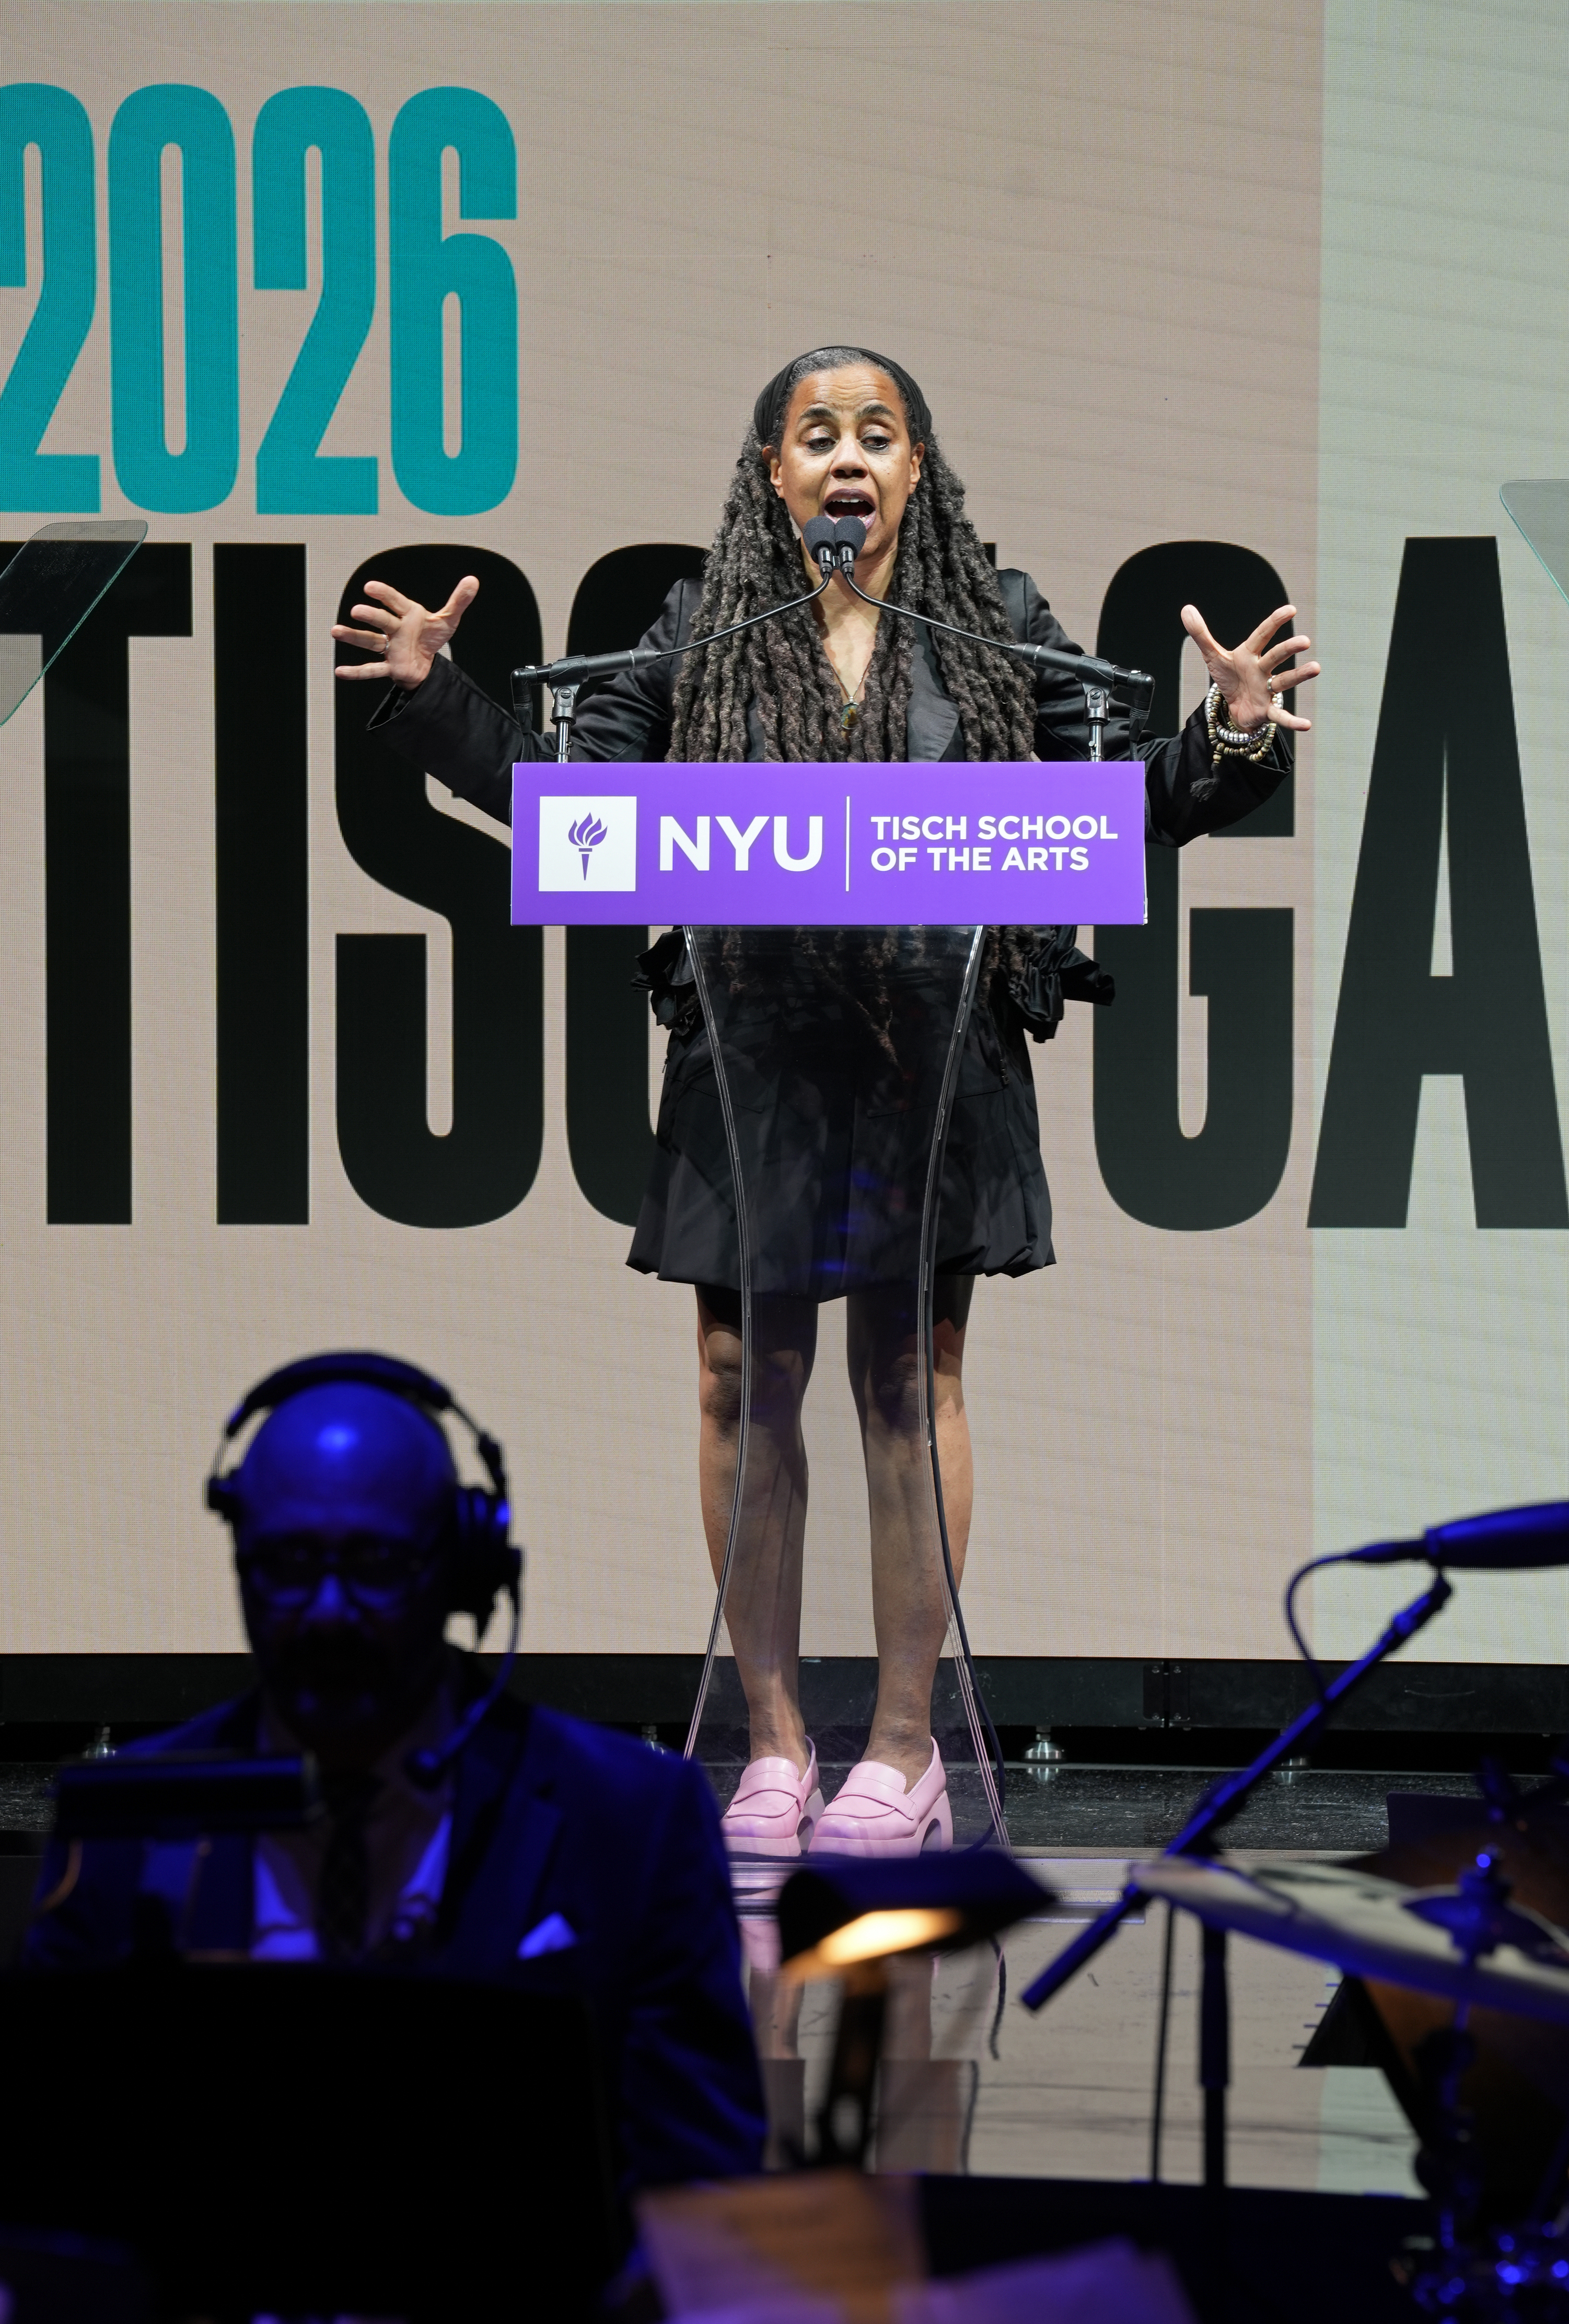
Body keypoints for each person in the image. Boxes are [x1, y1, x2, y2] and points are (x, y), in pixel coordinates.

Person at [334, 347, 1316, 1861]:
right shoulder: (704, 631)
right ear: (774, 477)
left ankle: (909, 1750)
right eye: (816, 437)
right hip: (756, 1061)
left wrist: (1227, 737)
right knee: (742, 1374)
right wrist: (441, 706)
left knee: (901, 1385)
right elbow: (571, 804)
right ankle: (778, 1744)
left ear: (914, 469)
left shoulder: (987, 624)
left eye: (876, 435)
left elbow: (1117, 794)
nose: (846, 459)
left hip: (938, 1061)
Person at [24, 1353, 767, 2193]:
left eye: (375, 1565)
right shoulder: (124, 1828)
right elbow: (52, 2197)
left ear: (459, 1568)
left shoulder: (631, 1820)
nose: (331, 1611)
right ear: (241, 1563)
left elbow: (707, 2196)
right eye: (290, 1566)